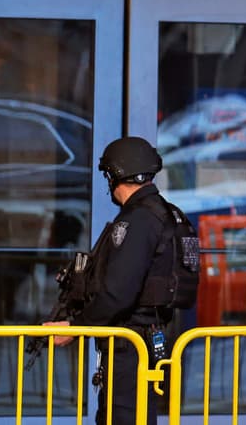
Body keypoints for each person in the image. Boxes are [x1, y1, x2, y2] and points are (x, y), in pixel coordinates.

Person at [44, 136, 200, 425]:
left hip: (130, 341)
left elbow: (118, 293)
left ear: (116, 174)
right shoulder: (171, 214)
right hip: (150, 334)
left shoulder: (139, 219)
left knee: (122, 417)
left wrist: (75, 327)